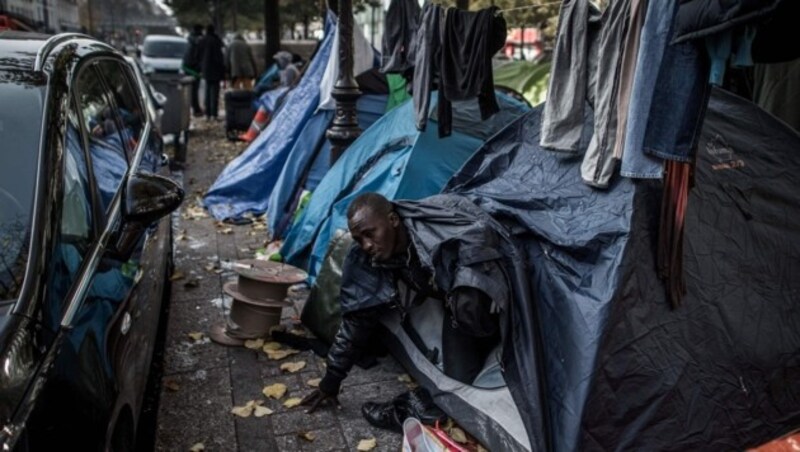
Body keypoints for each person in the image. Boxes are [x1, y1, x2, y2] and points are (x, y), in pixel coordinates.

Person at [300, 193, 505, 423]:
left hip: (499, 302)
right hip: (460, 316)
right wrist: (331, 381)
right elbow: (356, 322)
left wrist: (470, 293)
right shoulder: (371, 257)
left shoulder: (434, 235)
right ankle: (407, 409)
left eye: (370, 233)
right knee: (456, 387)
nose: (366, 245)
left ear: (393, 220)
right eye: (359, 239)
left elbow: (480, 239)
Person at [198, 24, 225, 120]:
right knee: (214, 93)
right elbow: (220, 57)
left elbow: (199, 55)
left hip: (206, 69)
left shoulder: (202, 41)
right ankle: (214, 113)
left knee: (207, 91)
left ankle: (207, 113)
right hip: (215, 70)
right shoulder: (216, 41)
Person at [182, 24, 204, 117]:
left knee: (191, 90)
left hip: (187, 67)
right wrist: (199, 68)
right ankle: (196, 109)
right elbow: (197, 57)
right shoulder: (197, 41)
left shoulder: (189, 40)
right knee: (194, 90)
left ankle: (194, 108)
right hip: (193, 68)